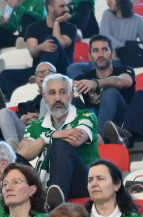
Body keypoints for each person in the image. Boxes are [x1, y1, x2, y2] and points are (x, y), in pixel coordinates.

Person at [17, 73, 99, 203]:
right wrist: (50, 136)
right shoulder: (34, 126)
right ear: (44, 97)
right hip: (45, 183)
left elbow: (75, 139)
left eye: (63, 92)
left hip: (83, 183)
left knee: (60, 145)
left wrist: (41, 142)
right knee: (14, 160)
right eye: (52, 93)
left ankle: (55, 202)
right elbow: (23, 154)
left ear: (71, 96)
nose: (58, 98)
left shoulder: (86, 115)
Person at [0, 0, 77, 100]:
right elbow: (32, 53)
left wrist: (56, 23)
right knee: (4, 75)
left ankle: (42, 75)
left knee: (53, 40)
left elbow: (61, 43)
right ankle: (25, 102)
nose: (66, 9)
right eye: (62, 6)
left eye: (66, 6)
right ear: (50, 8)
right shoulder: (34, 27)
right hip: (37, 72)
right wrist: (41, 47)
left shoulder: (70, 27)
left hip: (61, 70)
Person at [73, 35, 135, 142]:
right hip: (94, 122)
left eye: (105, 50)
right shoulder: (84, 78)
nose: (101, 55)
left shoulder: (124, 69)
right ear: (90, 57)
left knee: (109, 92)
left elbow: (122, 81)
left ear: (113, 54)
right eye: (96, 50)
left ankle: (99, 139)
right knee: (70, 98)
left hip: (121, 123)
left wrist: (95, 83)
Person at [0, 62, 55, 145]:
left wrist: (41, 119)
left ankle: (41, 144)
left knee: (45, 99)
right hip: (28, 138)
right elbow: (18, 114)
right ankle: (14, 152)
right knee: (4, 112)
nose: (41, 75)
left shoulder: (65, 95)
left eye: (46, 72)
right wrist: (24, 118)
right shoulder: (32, 102)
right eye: (38, 73)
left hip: (51, 136)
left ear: (56, 75)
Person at [98, 0, 143, 67]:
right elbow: (105, 36)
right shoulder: (107, 14)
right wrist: (125, 48)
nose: (108, 2)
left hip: (131, 61)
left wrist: (130, 50)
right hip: (112, 61)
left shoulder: (137, 19)